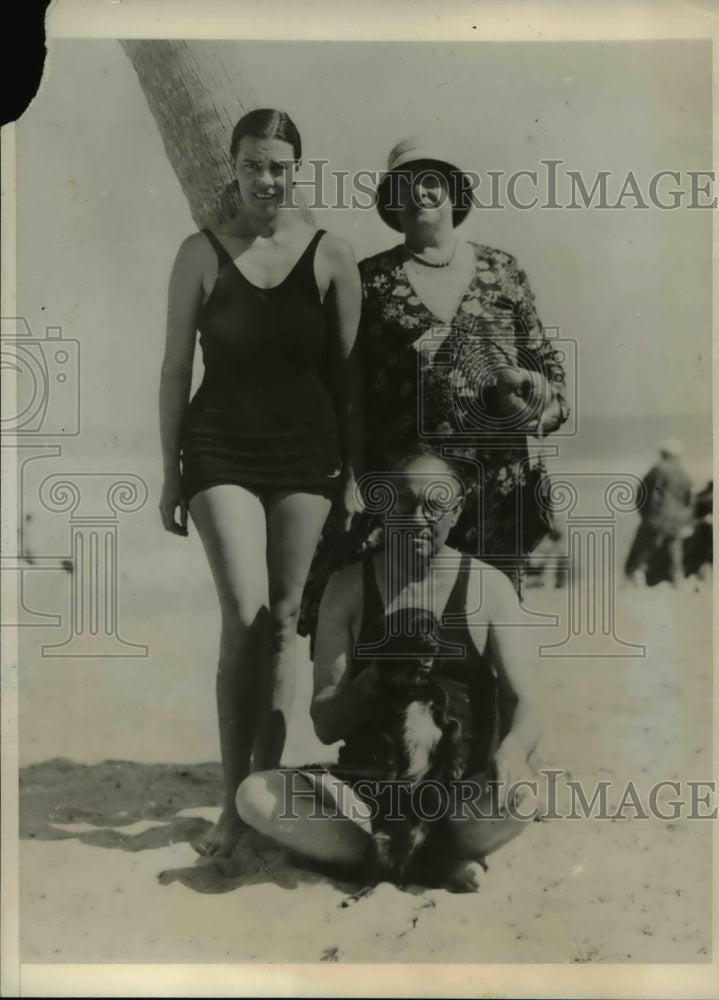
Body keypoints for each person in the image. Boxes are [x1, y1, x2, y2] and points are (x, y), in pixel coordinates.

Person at [158, 109, 361, 857]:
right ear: (234, 168)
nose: (266, 179)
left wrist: (355, 478)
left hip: (307, 455)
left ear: (295, 169)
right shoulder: (200, 254)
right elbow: (176, 368)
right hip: (220, 450)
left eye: (279, 165)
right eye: (252, 165)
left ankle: (262, 797)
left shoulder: (332, 255)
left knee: (282, 622)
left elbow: (347, 379)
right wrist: (168, 469)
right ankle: (228, 804)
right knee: (243, 617)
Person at [236, 451, 543, 892]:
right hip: (366, 794)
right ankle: (418, 860)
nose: (417, 517)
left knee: (524, 795)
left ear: (456, 512)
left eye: (435, 504)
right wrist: (379, 674)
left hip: (456, 797)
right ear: (383, 506)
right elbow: (324, 723)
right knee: (254, 795)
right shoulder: (347, 587)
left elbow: (527, 698)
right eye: (402, 502)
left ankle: (418, 853)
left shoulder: (487, 586)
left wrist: (513, 752)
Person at [357, 135, 570, 587]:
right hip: (414, 501)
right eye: (405, 185)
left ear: (453, 191)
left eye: (430, 181)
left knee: (492, 623)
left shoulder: (502, 270)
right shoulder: (370, 280)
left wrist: (545, 408)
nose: (419, 194)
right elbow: (352, 391)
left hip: (500, 487)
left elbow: (547, 364)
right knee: (416, 619)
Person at [624, 439, 693, 588]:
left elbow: (642, 494)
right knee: (674, 552)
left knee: (641, 551)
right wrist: (683, 517)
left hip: (655, 518)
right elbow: (689, 500)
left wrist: (646, 514)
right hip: (676, 520)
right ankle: (678, 582)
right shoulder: (682, 473)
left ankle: (630, 580)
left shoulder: (657, 470)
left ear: (662, 453)